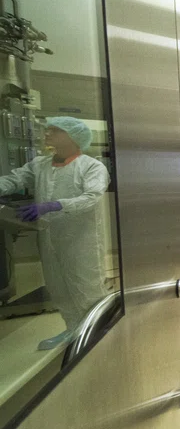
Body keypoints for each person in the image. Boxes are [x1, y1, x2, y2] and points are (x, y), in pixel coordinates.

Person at [0, 117, 110, 349]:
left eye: (54, 131)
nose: (46, 135)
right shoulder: (40, 165)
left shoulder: (91, 167)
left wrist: (54, 205)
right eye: (47, 131)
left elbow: (92, 198)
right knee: (58, 288)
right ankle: (72, 330)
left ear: (72, 137)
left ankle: (98, 332)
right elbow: (14, 179)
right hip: (50, 238)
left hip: (82, 240)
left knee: (86, 287)